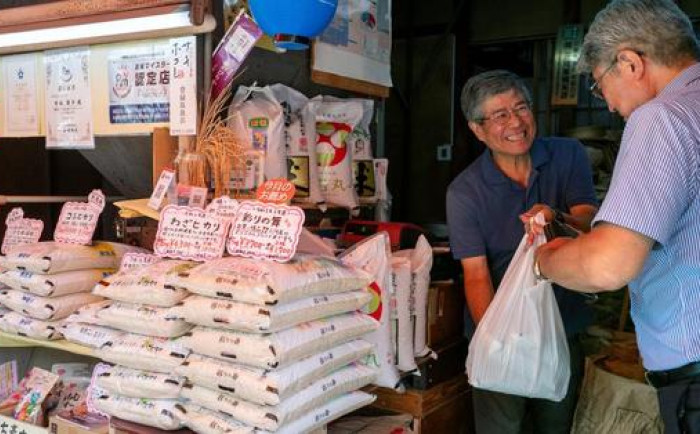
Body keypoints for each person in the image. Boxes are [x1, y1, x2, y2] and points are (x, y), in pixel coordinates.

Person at [534, 1, 700, 432]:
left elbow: (607, 265)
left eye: (599, 84)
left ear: (629, 63)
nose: (607, 105)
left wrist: (544, 260)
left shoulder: (660, 117)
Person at [446, 69, 598, 433]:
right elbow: (477, 275)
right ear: (478, 129)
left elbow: (589, 224)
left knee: (556, 424)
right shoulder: (465, 193)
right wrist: (499, 344)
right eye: (500, 115)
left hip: (562, 327)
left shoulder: (567, 155)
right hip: (501, 333)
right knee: (502, 427)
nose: (516, 122)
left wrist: (555, 216)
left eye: (521, 108)